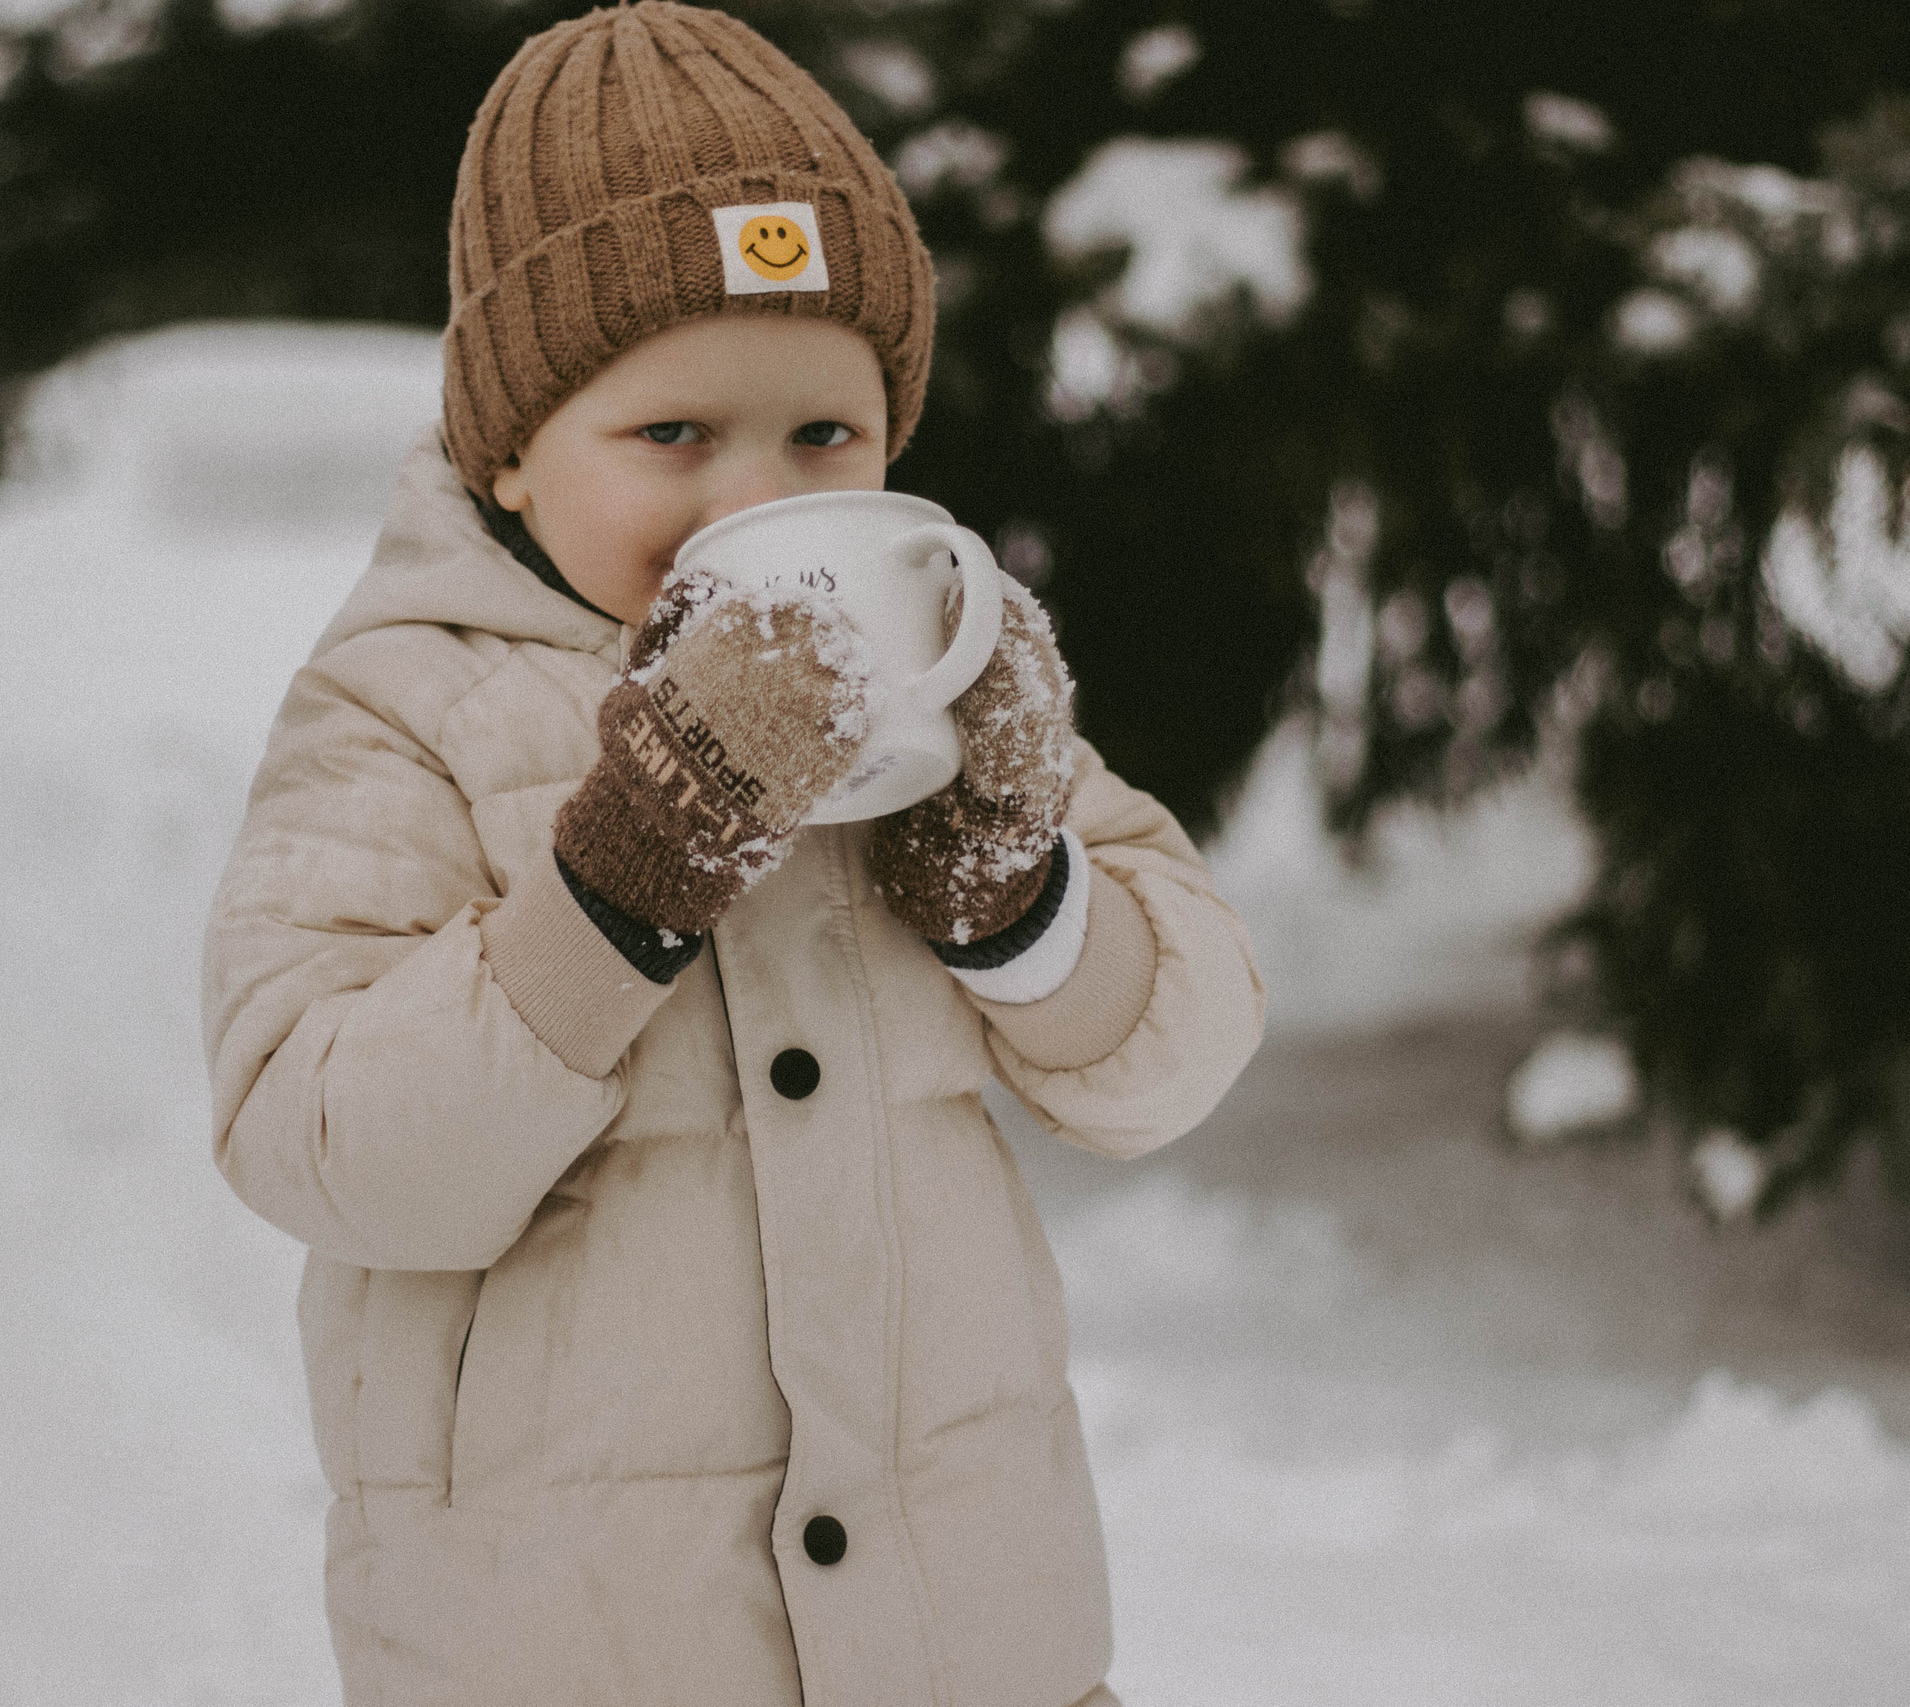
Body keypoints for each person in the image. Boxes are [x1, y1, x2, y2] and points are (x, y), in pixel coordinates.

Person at [200, 5, 1264, 1701]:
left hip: (963, 1643)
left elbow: (1181, 1050)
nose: (752, 507)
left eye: (822, 440)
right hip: (576, 1651)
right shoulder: (409, 706)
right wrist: (616, 882)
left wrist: (1020, 892)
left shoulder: (928, 684)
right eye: (674, 437)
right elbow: (314, 1137)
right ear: (510, 453)